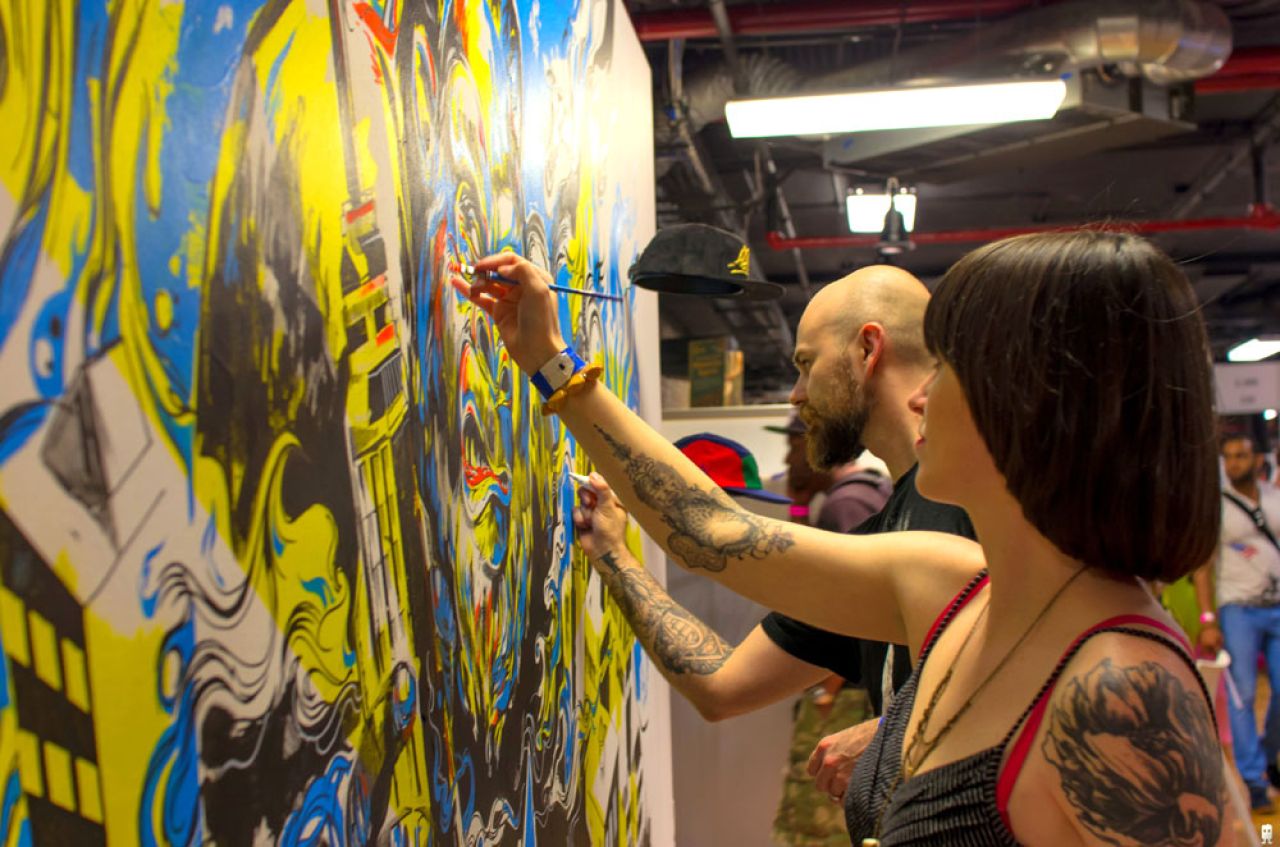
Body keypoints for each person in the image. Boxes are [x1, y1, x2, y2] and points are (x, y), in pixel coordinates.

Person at [461, 228, 1251, 845]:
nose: (922, 397)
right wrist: (548, 361)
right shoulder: (949, 580)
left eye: (950, 369)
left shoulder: (1123, 692)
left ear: (1031, 403)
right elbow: (710, 529)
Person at [1194, 434, 1280, 812]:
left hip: (1277, 605)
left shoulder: (1275, 499)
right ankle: (1253, 779)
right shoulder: (1218, 508)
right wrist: (1208, 619)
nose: (1234, 463)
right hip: (1237, 610)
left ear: (1257, 459)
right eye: (1228, 457)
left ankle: (1267, 756)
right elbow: (1203, 567)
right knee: (1242, 694)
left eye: (1241, 455)